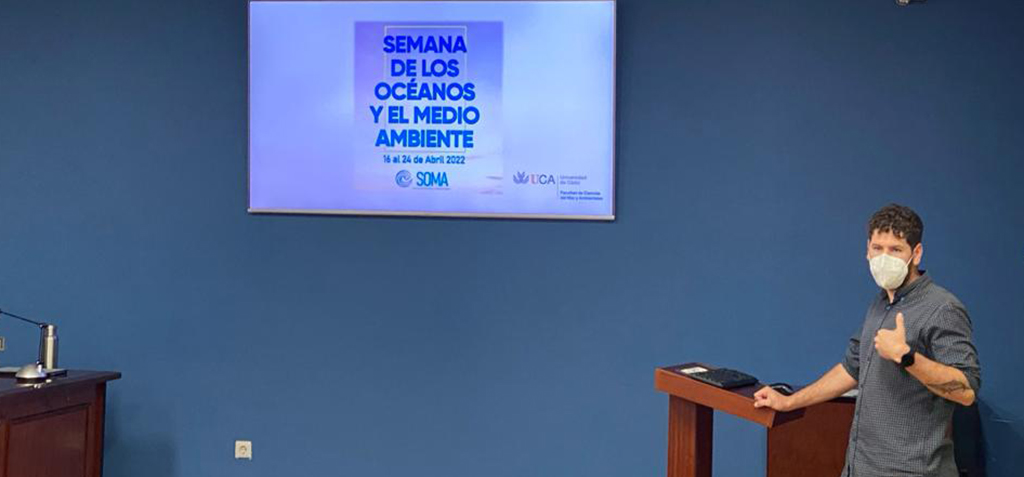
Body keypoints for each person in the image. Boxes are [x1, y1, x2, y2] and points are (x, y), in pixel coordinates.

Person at [753, 203, 981, 477]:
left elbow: (966, 392)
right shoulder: (881, 303)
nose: (884, 258)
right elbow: (852, 368)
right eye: (877, 248)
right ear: (867, 250)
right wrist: (789, 402)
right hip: (861, 466)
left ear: (916, 253)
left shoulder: (942, 308)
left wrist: (906, 357)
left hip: (912, 470)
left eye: (895, 250)